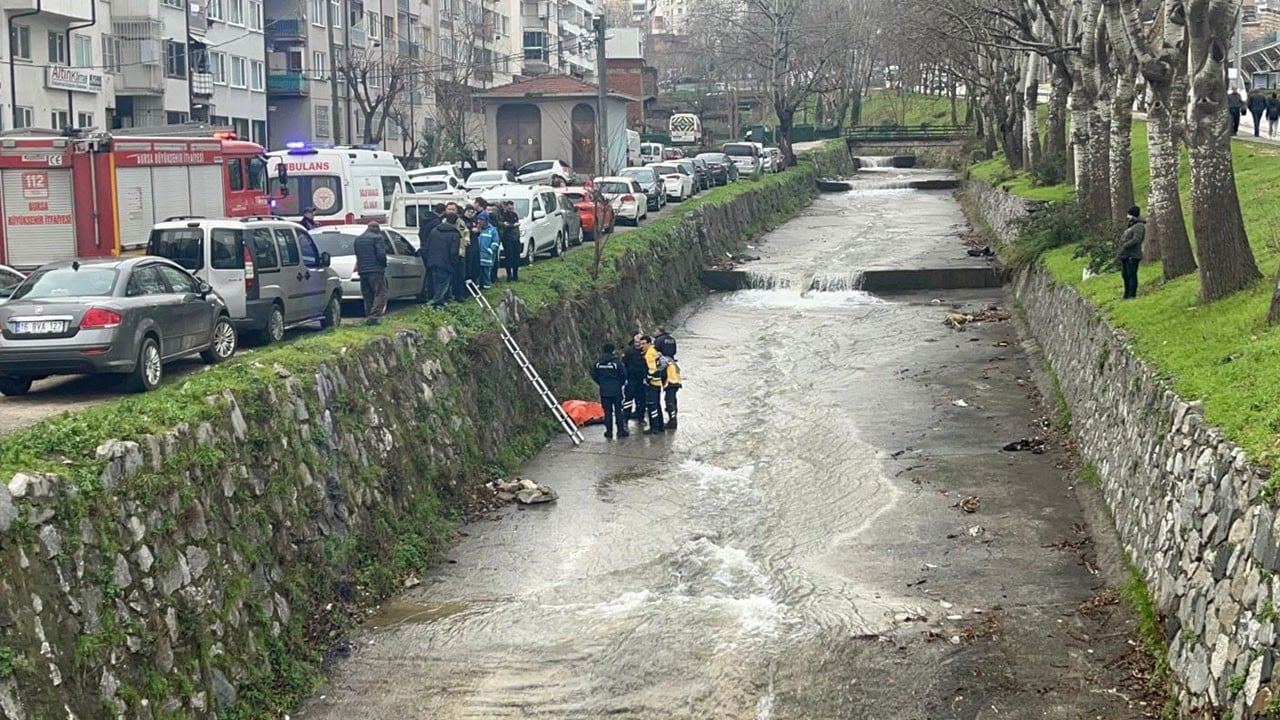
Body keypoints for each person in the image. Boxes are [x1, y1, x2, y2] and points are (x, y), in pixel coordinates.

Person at [424, 203, 462, 308]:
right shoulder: (454, 234)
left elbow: (428, 247)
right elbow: (453, 252)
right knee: (443, 284)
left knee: (436, 284)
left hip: (432, 262)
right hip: (446, 264)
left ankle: (437, 303)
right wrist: (454, 264)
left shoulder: (434, 231)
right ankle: (436, 303)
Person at [591, 343, 629, 439]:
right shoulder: (616, 362)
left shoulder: (598, 363)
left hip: (604, 390)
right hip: (616, 390)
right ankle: (620, 431)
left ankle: (609, 431)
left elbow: (593, 374)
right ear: (613, 351)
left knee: (607, 412)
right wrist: (619, 384)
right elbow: (624, 375)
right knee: (618, 411)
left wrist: (601, 382)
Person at [353, 222, 388, 324]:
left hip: (363, 271)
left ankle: (369, 314)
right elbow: (381, 254)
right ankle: (374, 316)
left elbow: (358, 256)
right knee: (380, 293)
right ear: (376, 228)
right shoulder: (377, 238)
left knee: (368, 295)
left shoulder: (358, 239)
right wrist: (383, 264)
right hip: (376, 270)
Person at [641, 335, 669, 434]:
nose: (642, 346)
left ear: (649, 343)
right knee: (657, 405)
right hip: (658, 382)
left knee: (652, 405)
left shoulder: (649, 354)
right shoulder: (654, 351)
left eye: (644, 344)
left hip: (652, 383)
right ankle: (660, 426)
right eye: (641, 344)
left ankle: (654, 427)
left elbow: (652, 369)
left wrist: (647, 380)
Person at [1117, 205, 1145, 300]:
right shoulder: (1131, 226)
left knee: (1131, 275)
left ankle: (1132, 294)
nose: (1127, 216)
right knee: (1125, 275)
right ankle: (1126, 294)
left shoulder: (1139, 226)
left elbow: (1136, 239)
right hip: (1126, 255)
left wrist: (1125, 245)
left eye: (1129, 214)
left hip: (1132, 255)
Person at [417, 203, 445, 299]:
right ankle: (433, 295)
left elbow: (420, 234)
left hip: (423, 247)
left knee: (427, 273)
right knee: (433, 274)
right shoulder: (436, 222)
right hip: (432, 250)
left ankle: (427, 295)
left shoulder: (425, 219)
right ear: (443, 212)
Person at [622, 332, 648, 424]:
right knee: (628, 399)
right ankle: (625, 419)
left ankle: (641, 418)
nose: (637, 344)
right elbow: (623, 364)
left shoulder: (645, 352)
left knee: (642, 400)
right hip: (631, 379)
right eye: (636, 342)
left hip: (642, 380)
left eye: (639, 342)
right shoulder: (628, 351)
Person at [497, 200, 522, 282]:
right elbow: (505, 225)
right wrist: (512, 225)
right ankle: (509, 276)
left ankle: (515, 275)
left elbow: (517, 225)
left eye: (512, 207)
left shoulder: (515, 215)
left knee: (516, 257)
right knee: (509, 257)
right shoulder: (504, 215)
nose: (511, 209)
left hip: (515, 239)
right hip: (507, 239)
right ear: (506, 207)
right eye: (509, 207)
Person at [475, 215, 501, 289]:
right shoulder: (477, 229)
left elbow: (495, 242)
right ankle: (477, 287)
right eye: (478, 220)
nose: (479, 221)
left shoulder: (492, 230)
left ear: (486, 221)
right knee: (477, 272)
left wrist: (490, 250)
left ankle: (486, 287)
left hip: (487, 255)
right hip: (477, 255)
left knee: (486, 271)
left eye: (481, 220)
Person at [662, 351, 682, 431]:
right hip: (676, 382)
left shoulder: (664, 360)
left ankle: (672, 421)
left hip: (671, 383)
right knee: (673, 401)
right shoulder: (671, 361)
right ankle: (673, 418)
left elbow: (659, 370)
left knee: (669, 402)